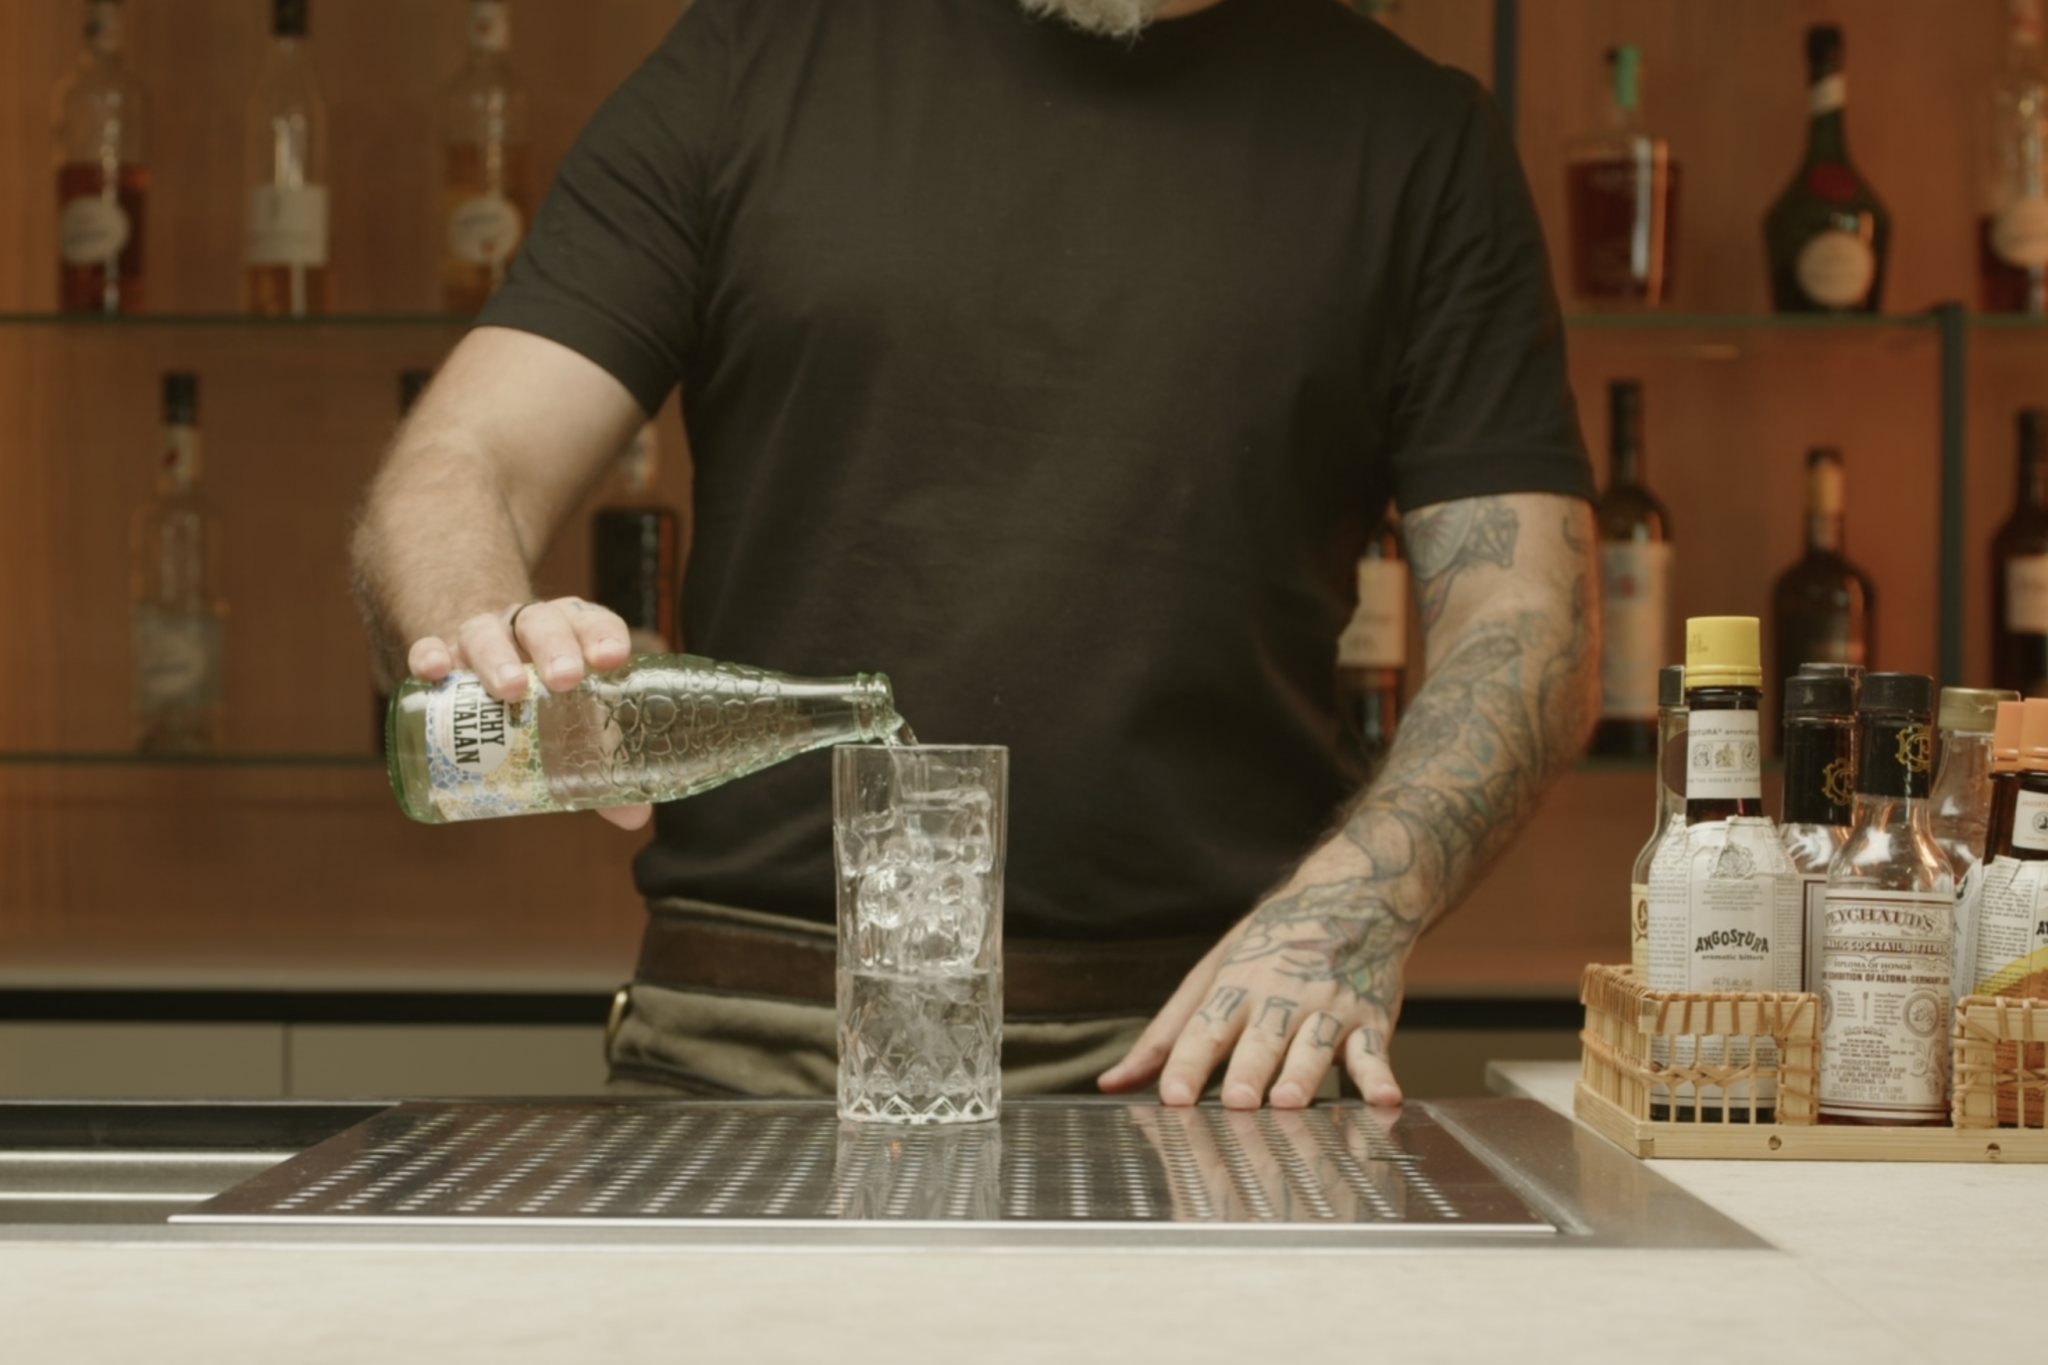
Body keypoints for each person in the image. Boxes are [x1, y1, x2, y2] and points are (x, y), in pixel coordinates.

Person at [350, 0, 1601, 1109]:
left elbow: (1523, 620)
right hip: (756, 1042)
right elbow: (467, 458)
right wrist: (479, 626)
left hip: (1209, 1054)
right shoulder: (754, 51)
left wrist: (1347, 914)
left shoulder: (1415, 140)